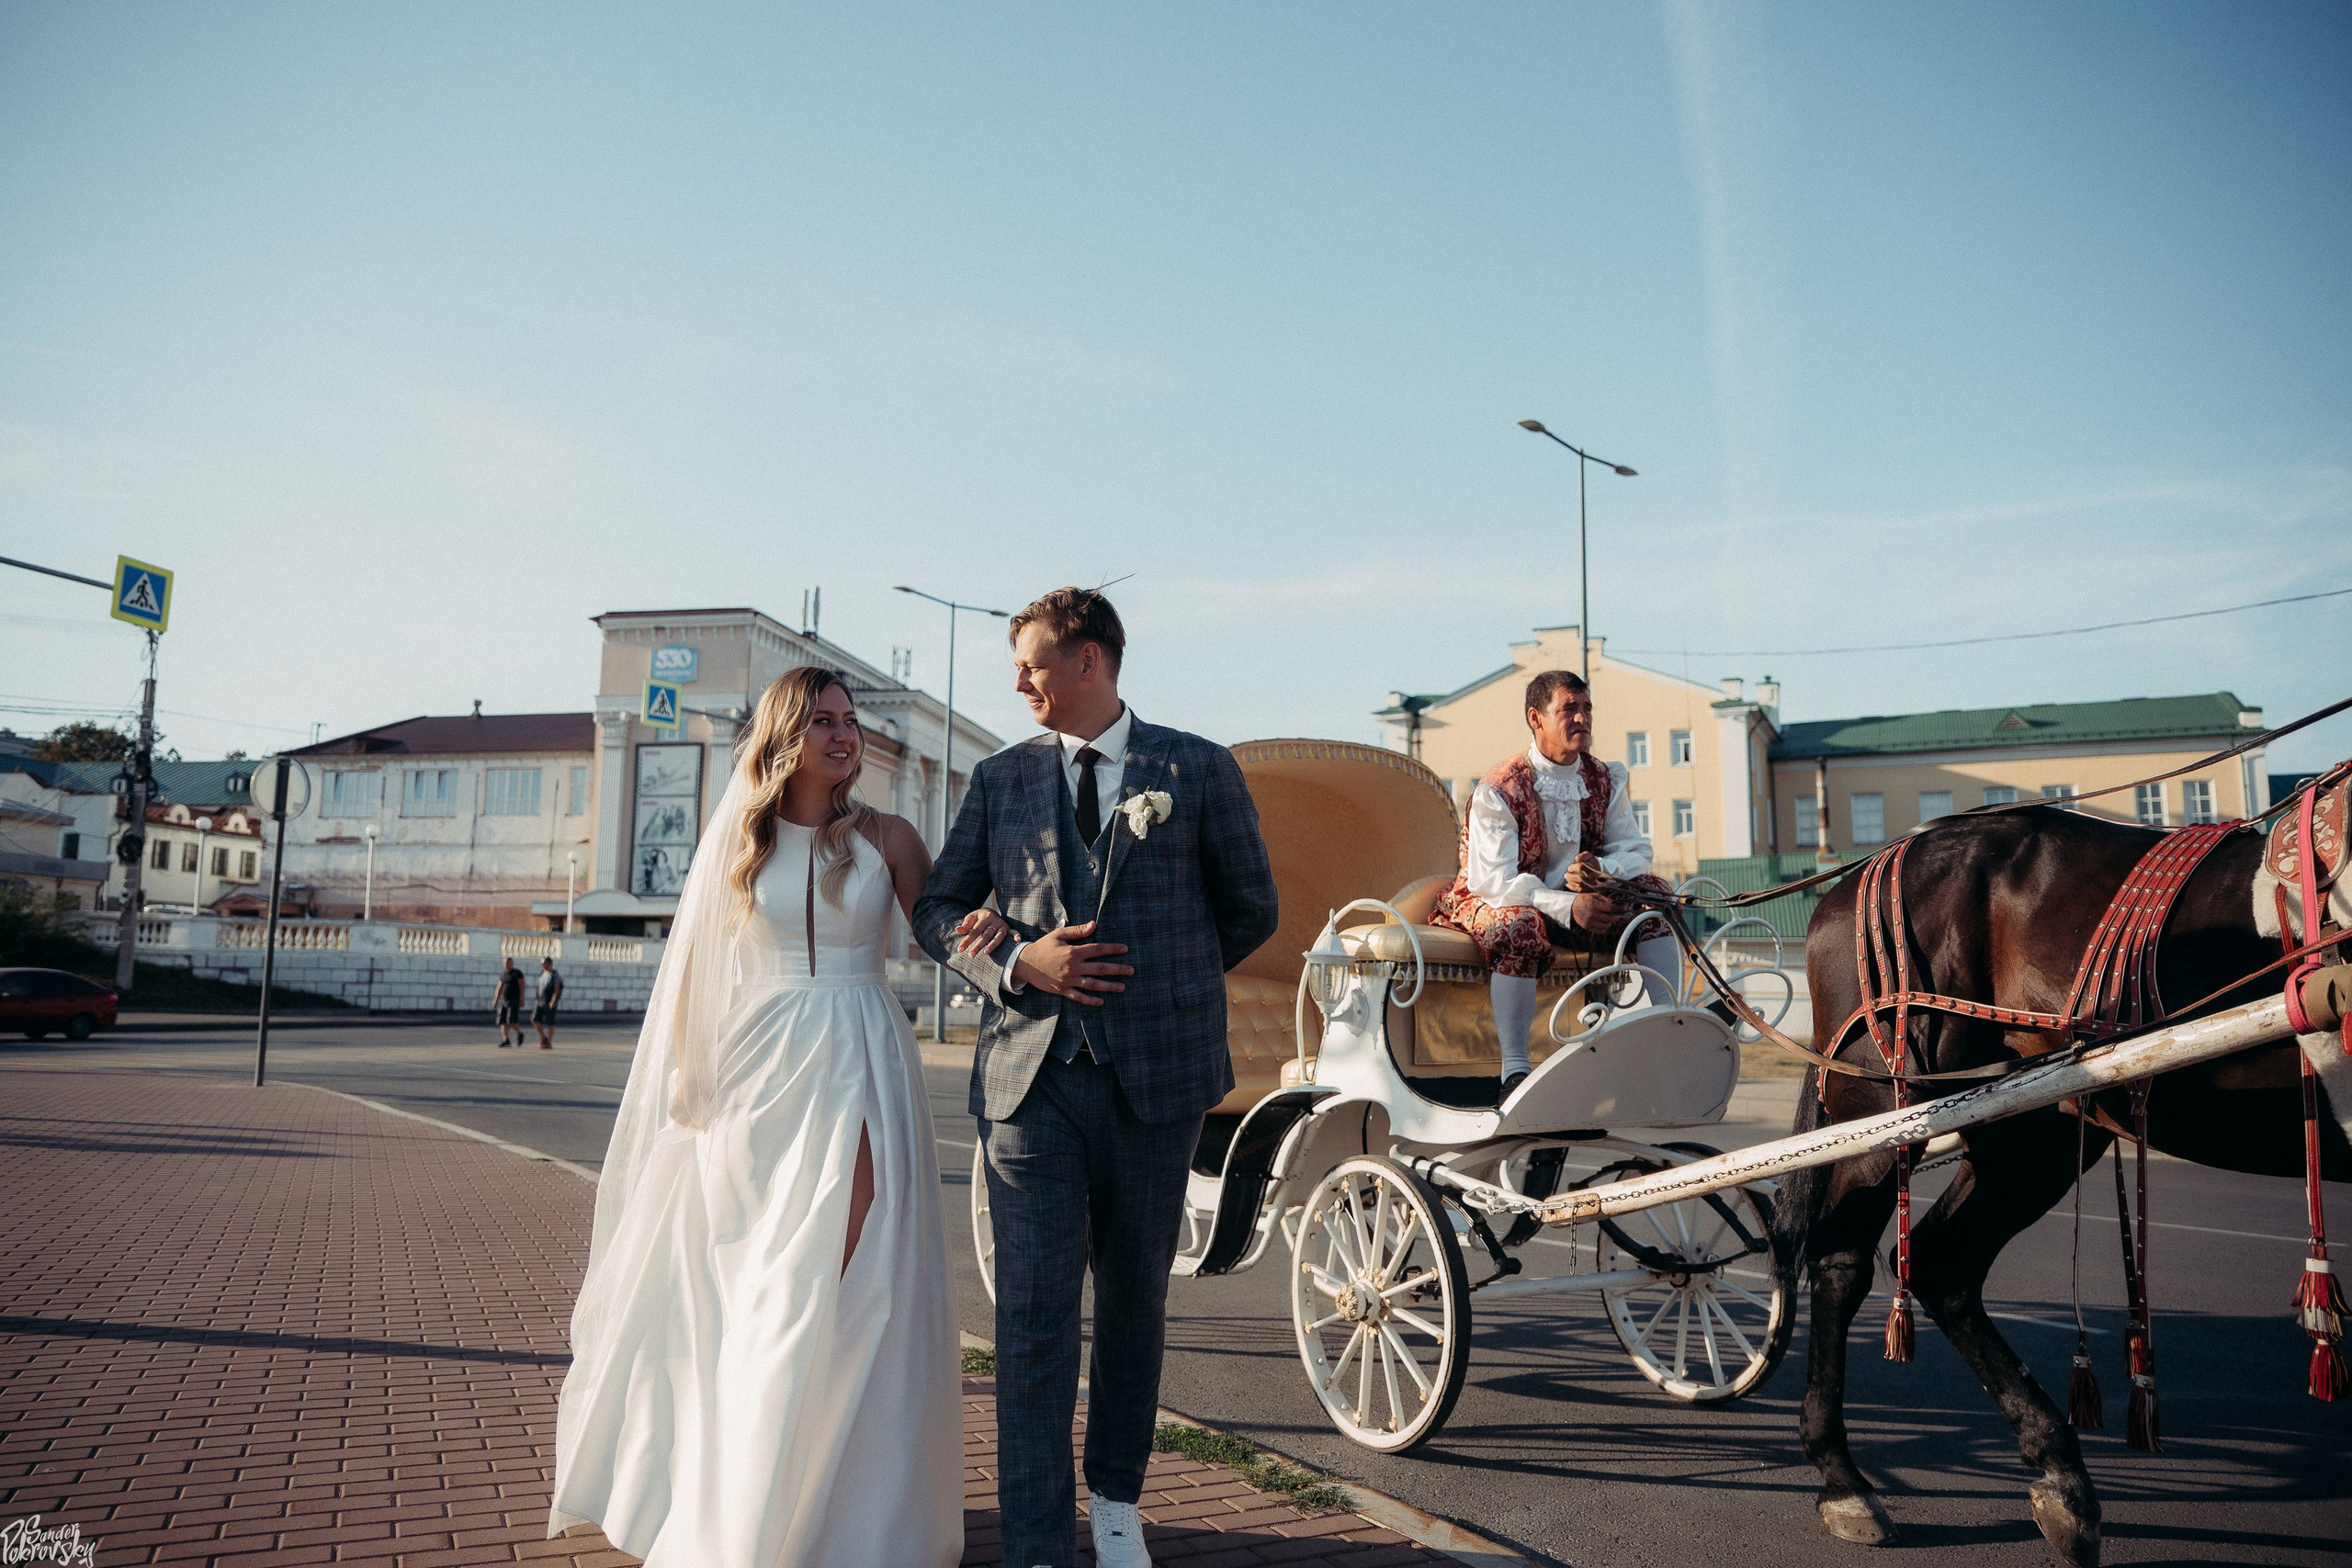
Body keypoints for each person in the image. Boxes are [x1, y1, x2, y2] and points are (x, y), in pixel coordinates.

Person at [548, 666, 962, 1567]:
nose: (844, 735)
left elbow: (944, 928)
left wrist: (1011, 945)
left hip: (861, 1053)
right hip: (756, 1068)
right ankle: (747, 1497)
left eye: (851, 720)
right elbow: (695, 970)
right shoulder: (740, 836)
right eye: (823, 721)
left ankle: (845, 1511)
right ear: (785, 736)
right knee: (761, 1276)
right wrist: (690, 1084)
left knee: (848, 1268)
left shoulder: (888, 835)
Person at [914, 587, 1279, 1568]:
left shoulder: (1196, 767)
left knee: (1131, 1306)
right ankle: (1037, 1541)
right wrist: (1012, 963)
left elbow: (1251, 909)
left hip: (1156, 1083)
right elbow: (940, 904)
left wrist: (1161, 983)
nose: (1019, 679)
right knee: (1031, 1316)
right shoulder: (998, 778)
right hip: (1030, 1081)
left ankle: (1115, 1499)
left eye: (1033, 661)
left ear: (1091, 660)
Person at [1430, 669, 1679, 1101]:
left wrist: (1601, 870)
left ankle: (1668, 1034)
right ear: (1536, 718)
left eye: (1586, 709)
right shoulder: (1500, 789)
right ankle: (1514, 1070)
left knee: (1655, 897)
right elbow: (1495, 881)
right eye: (1569, 709)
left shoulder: (1605, 777)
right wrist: (1569, 906)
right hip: (1490, 898)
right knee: (1520, 925)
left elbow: (1637, 851)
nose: (1581, 719)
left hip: (1572, 904)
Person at [531, 956, 564, 1049]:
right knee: (534, 1019)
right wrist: (536, 997)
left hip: (549, 1000)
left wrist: (553, 1001)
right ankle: (543, 1038)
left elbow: (556, 989)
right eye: (541, 964)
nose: (542, 965)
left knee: (550, 1022)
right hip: (540, 1001)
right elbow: (539, 986)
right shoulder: (542, 974)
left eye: (544, 963)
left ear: (549, 964)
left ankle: (549, 1042)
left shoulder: (554, 975)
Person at [492, 957, 526, 1047]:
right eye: (505, 964)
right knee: (502, 1021)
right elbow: (499, 988)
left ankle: (520, 1033)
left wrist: (522, 1000)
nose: (506, 965)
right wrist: (495, 1000)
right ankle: (506, 1039)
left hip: (514, 1000)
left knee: (512, 1021)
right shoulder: (504, 975)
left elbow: (522, 987)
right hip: (504, 1000)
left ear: (512, 964)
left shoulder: (517, 973)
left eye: (508, 963)